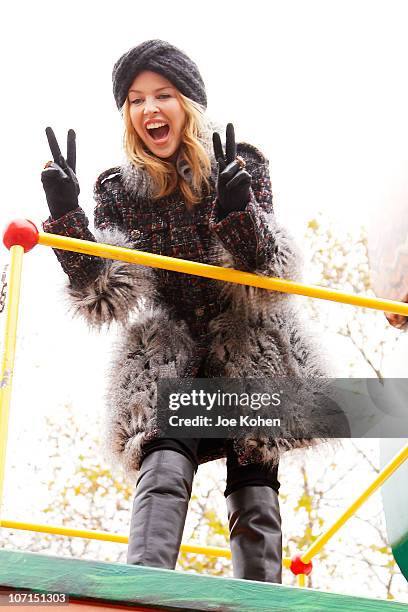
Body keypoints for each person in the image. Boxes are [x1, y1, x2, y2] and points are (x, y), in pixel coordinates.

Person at [40, 40, 332, 583]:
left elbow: (264, 271)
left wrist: (235, 210)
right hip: (172, 349)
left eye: (162, 95)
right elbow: (103, 285)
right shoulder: (119, 189)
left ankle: (258, 592)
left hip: (246, 338)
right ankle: (146, 585)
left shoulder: (238, 163)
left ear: (188, 104)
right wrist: (67, 218)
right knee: (164, 451)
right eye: (134, 100)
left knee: (255, 469)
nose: (148, 110)